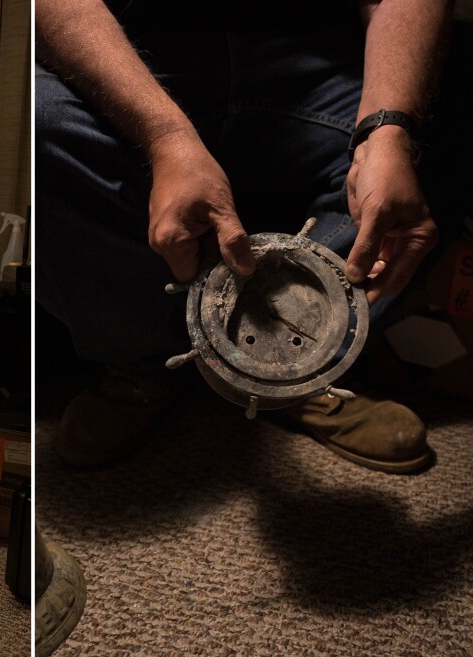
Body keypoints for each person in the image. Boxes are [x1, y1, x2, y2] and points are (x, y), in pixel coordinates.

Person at [35, 0, 471, 472]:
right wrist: (167, 139)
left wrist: (387, 132)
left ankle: (301, 363)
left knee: (449, 90)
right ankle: (143, 365)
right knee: (42, 120)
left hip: (319, 57)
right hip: (139, 52)